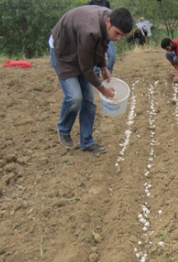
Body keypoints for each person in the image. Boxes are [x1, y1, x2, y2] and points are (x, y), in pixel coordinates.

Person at [49, 6, 133, 153]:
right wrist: (103, 90)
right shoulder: (90, 31)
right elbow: (86, 69)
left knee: (88, 101)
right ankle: (63, 129)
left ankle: (87, 142)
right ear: (108, 22)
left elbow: (100, 46)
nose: (119, 38)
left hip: (80, 46)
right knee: (75, 97)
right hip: (63, 49)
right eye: (117, 33)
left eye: (122, 36)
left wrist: (104, 67)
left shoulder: (109, 20)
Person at [87, 0, 116, 76]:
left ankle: (108, 72)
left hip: (107, 32)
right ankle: (96, 74)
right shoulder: (90, 4)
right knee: (96, 54)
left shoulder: (106, 3)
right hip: (96, 33)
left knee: (112, 55)